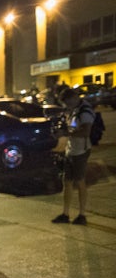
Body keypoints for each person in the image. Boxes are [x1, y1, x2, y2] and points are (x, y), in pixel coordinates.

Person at [52, 88, 94, 225]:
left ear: (73, 98)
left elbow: (86, 132)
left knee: (80, 181)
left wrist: (66, 134)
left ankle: (82, 215)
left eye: (67, 103)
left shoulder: (85, 111)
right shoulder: (74, 109)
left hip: (81, 151)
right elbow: (71, 127)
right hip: (71, 150)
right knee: (67, 182)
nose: (66, 106)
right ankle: (66, 213)